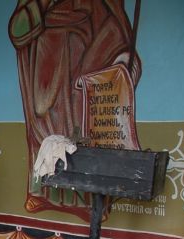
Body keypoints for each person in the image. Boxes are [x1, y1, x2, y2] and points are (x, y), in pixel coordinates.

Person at [9, 0, 141, 221]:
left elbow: (114, 23)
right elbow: (18, 29)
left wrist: (122, 55)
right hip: (48, 49)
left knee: (81, 122)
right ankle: (43, 191)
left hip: (86, 49)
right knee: (42, 113)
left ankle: (84, 200)